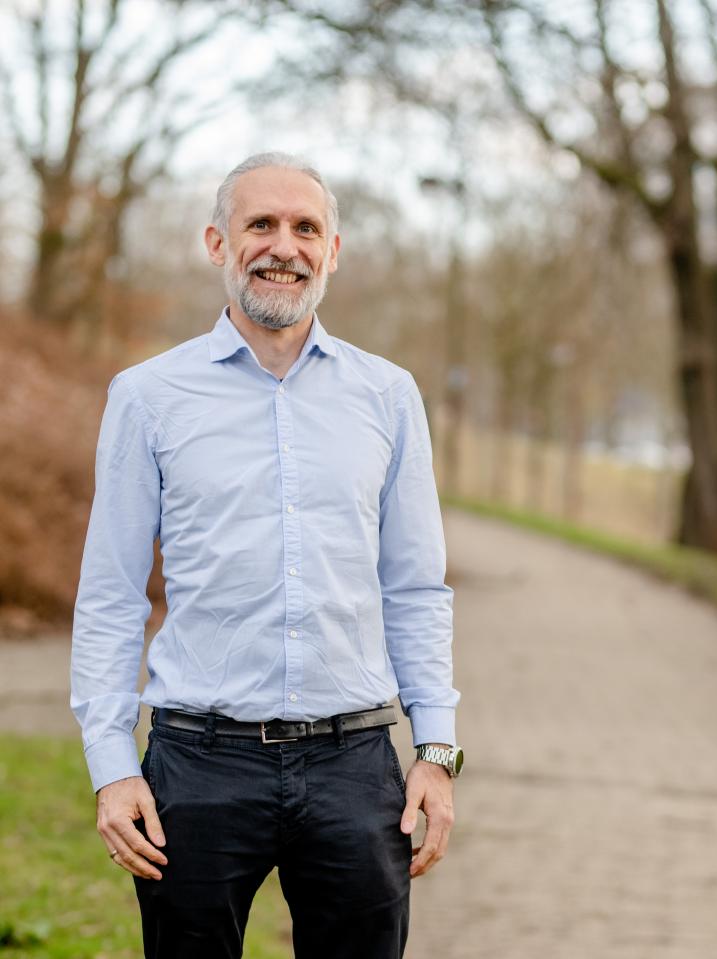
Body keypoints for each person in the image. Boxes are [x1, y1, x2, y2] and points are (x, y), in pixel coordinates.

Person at [70, 152, 462, 959]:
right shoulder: (148, 397)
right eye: (261, 224)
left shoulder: (388, 396)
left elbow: (417, 587)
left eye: (305, 227)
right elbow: (110, 595)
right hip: (198, 765)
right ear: (218, 242)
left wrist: (437, 750)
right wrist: (112, 767)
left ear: (333, 251)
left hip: (357, 767)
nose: (283, 246)